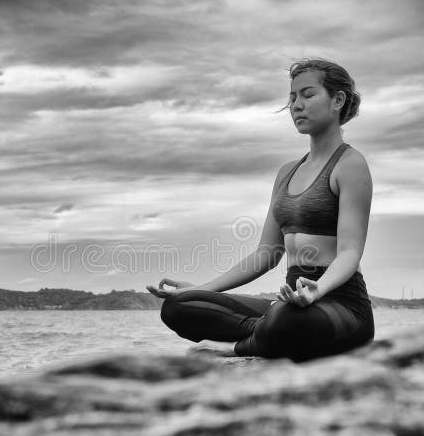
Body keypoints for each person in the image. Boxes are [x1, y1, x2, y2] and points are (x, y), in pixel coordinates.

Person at [146, 58, 374, 362]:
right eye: (292, 97)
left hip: (342, 306)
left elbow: (349, 253)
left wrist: (317, 290)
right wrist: (202, 288)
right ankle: (267, 333)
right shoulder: (286, 173)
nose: (296, 105)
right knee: (178, 306)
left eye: (307, 95)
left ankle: (240, 347)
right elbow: (266, 254)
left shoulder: (350, 165)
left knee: (285, 318)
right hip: (290, 302)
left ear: (337, 100)